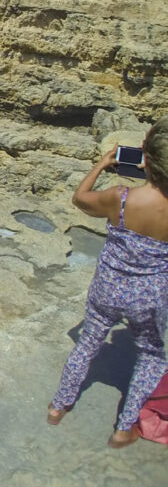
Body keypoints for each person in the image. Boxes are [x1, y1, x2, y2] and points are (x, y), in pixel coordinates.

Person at [48, 117, 168, 448]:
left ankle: (58, 406)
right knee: (152, 356)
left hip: (107, 288)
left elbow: (80, 198)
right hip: (151, 296)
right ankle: (124, 427)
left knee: (87, 345)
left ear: (147, 156)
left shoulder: (122, 197)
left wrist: (103, 163)